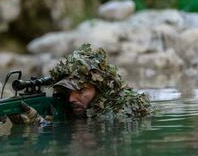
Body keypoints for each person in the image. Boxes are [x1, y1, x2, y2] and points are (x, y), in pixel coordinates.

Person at [9, 44, 152, 125]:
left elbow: (98, 129)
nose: (71, 98)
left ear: (100, 89)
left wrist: (42, 124)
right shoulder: (68, 107)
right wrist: (29, 122)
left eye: (81, 90)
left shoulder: (122, 107)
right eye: (67, 91)